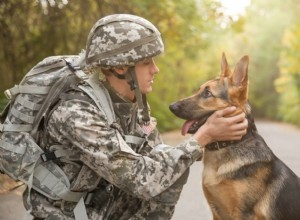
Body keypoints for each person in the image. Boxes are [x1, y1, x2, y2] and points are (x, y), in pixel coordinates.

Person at [24, 14, 248, 220]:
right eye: (146, 62)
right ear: (121, 67)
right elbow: (141, 180)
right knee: (166, 169)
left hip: (104, 208)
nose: (155, 70)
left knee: (171, 165)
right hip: (66, 215)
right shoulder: (77, 114)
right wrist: (203, 137)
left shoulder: (134, 106)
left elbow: (156, 155)